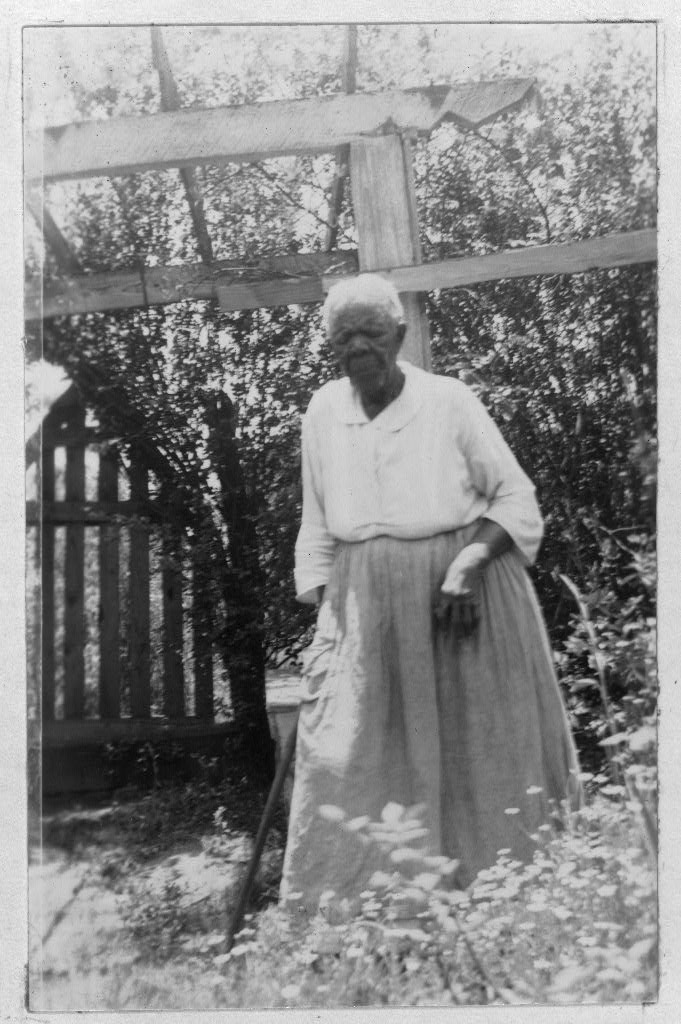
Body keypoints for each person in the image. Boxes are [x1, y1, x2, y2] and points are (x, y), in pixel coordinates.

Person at [280, 273, 580, 910]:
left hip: (461, 603)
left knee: (481, 747)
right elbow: (316, 521)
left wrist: (469, 562)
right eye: (343, 336)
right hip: (364, 607)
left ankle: (504, 901)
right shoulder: (323, 411)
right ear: (330, 345)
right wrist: (326, 624)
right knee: (351, 752)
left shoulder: (448, 401)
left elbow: (515, 498)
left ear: (400, 334)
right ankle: (371, 910)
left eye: (371, 332)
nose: (358, 346)